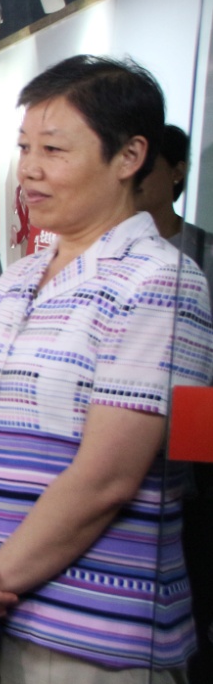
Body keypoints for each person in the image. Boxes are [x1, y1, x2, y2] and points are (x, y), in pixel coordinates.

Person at [0, 58, 213, 682]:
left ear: (130, 156)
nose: (30, 169)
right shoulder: (20, 277)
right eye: (24, 147)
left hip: (90, 636)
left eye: (54, 150)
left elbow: (106, 479)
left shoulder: (160, 280)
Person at [136, 123, 213, 683]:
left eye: (151, 164)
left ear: (177, 172)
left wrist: (193, 449)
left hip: (190, 429)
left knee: (192, 553)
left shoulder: (202, 251)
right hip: (115, 438)